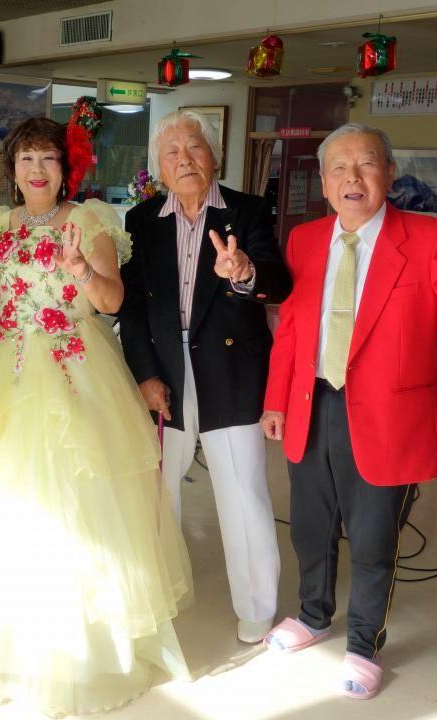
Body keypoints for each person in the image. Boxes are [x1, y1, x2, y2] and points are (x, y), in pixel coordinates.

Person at [0, 117, 193, 717]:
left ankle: (81, 648)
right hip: (4, 368)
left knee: (79, 500)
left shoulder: (90, 220)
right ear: (13, 168)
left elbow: (112, 299)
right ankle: (2, 643)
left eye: (48, 159)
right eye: (27, 158)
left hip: (75, 366)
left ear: (65, 168)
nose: (37, 170)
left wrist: (82, 271)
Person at [261, 123, 437, 699]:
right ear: (323, 181)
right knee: (310, 527)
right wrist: (276, 399)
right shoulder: (304, 240)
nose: (352, 177)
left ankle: (362, 643)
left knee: (374, 540)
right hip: (312, 403)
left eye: (367, 164)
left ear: (389, 173)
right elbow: (292, 329)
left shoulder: (429, 237)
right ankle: (313, 615)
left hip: (387, 418)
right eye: (339, 167)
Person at [119, 109, 292, 645]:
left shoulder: (248, 210)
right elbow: (132, 308)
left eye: (194, 147)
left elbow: (280, 282)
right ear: (158, 167)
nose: (184, 159)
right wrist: (144, 373)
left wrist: (244, 272)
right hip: (165, 373)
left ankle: (256, 606)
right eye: (171, 152)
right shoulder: (141, 220)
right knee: (158, 492)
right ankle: (161, 591)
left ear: (214, 156)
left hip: (231, 371)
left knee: (243, 493)